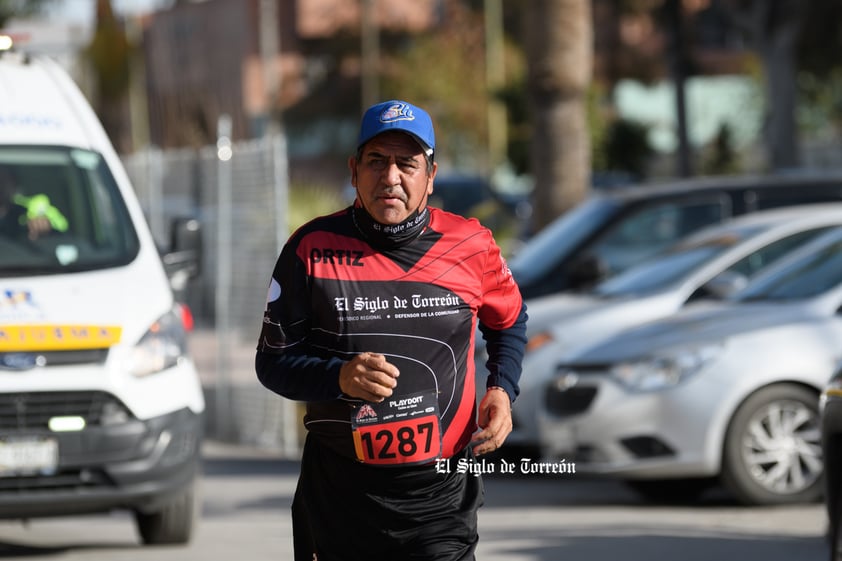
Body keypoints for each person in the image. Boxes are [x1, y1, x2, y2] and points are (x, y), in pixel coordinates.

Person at [255, 99, 528, 561]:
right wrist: (338, 377)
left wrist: (502, 389)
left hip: (440, 495)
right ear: (354, 170)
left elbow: (510, 321)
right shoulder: (311, 248)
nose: (391, 177)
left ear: (431, 174)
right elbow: (272, 363)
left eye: (407, 163)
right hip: (340, 494)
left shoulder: (471, 244)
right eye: (377, 161)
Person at [0, 166, 66, 240]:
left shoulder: (28, 213)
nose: (1, 186)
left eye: (3, 181)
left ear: (14, 185)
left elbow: (64, 235)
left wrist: (45, 231)